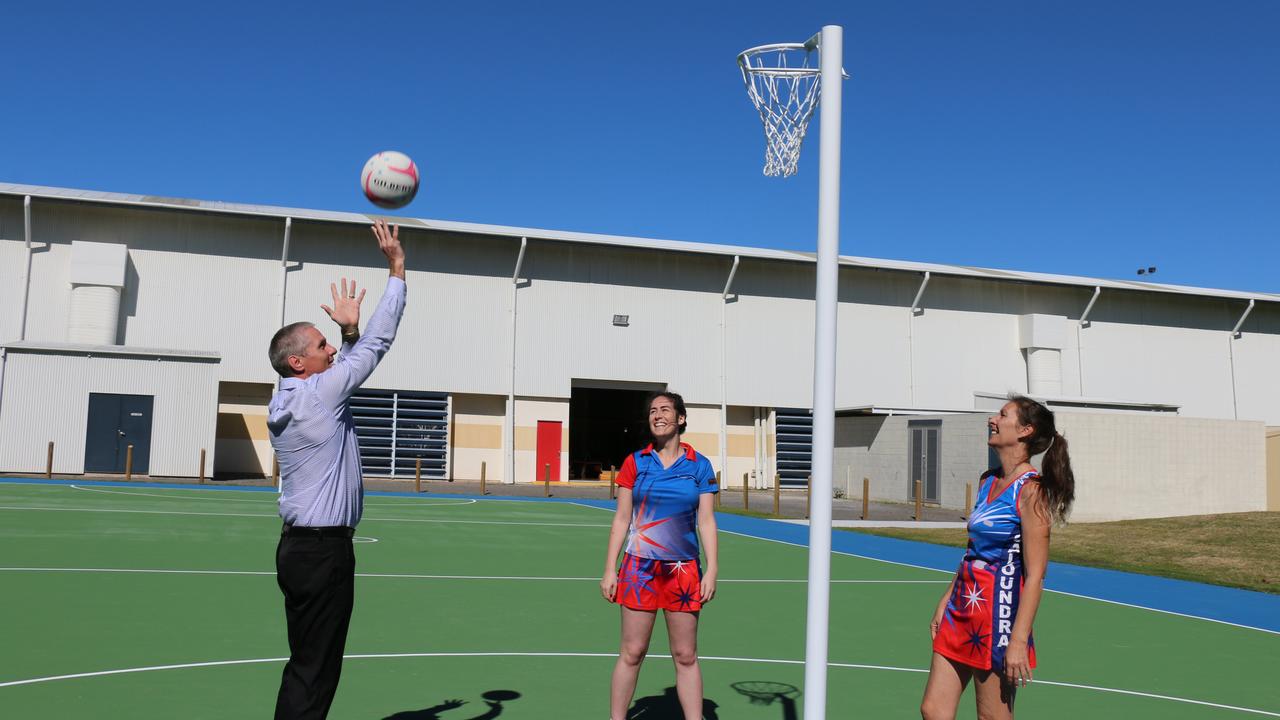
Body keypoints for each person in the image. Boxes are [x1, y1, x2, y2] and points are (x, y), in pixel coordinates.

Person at [266, 219, 406, 719]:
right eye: (322, 345)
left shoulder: (290, 396)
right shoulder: (319, 395)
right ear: (299, 363)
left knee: (307, 661)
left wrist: (346, 332)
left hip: (298, 549)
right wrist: (396, 268)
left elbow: (346, 364)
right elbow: (376, 345)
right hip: (323, 551)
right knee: (317, 667)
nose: (331, 349)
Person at [920, 395, 1076, 720]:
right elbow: (972, 552)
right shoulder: (987, 480)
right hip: (961, 609)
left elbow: (1035, 575)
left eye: (1003, 414)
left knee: (992, 717)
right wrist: (946, 599)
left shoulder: (1031, 491)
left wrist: (1018, 639)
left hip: (996, 619)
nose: (993, 419)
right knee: (933, 710)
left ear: (1025, 430)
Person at [600, 391, 719, 720]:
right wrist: (610, 569)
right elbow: (622, 519)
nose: (657, 415)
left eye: (665, 410)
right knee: (632, 651)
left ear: (680, 418)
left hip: (683, 571)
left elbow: (706, 522)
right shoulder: (635, 462)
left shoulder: (700, 465)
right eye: (653, 411)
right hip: (639, 568)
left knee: (685, 654)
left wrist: (711, 570)